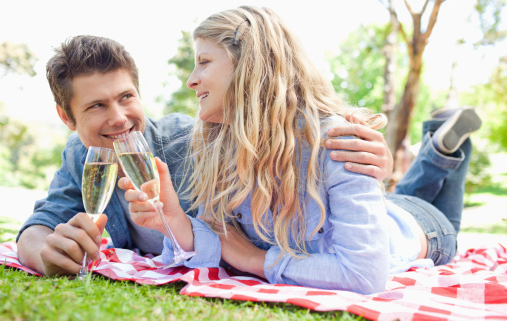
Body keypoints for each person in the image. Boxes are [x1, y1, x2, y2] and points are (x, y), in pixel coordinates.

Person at [120, 6, 481, 294]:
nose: (191, 79)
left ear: (248, 65)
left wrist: (258, 260)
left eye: (204, 62)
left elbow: (363, 275)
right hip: (382, 212)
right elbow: (224, 244)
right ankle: (441, 143)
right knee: (400, 195)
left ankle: (441, 146)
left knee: (439, 216)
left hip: (421, 232)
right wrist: (175, 223)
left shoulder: (337, 142)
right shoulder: (219, 144)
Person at [15, 35, 393, 276]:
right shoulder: (84, 155)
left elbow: (271, 131)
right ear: (67, 117)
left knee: (421, 216)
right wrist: (43, 253)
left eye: (126, 97)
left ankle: (440, 155)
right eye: (97, 105)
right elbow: (41, 222)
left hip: (386, 225)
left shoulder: (189, 139)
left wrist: (356, 145)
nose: (119, 118)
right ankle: (443, 154)